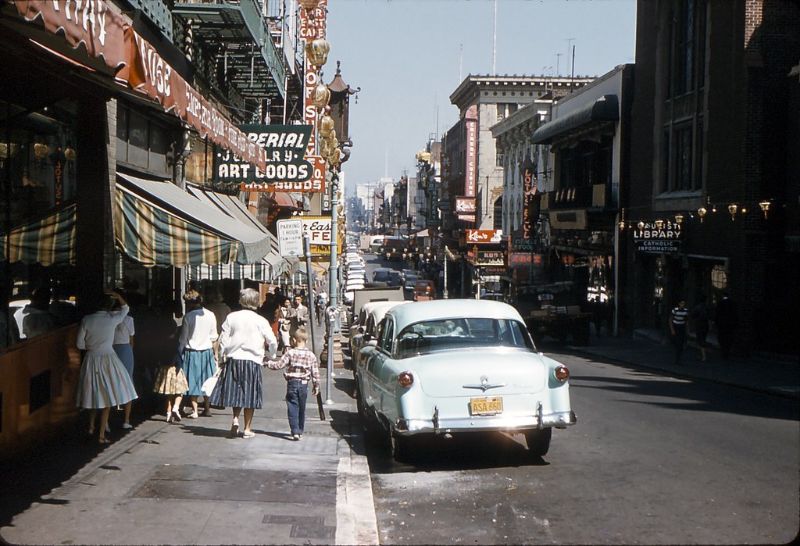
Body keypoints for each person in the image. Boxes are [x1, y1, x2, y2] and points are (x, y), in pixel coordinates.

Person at [209, 288, 277, 439]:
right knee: (250, 394)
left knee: (235, 391)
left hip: (234, 359)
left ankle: (234, 419)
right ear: (256, 302)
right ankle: (247, 428)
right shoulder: (261, 320)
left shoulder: (232, 317)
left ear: (241, 300)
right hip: (253, 360)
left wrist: (221, 358)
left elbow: (223, 340)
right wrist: (271, 356)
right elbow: (272, 341)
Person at [75, 291, 138, 444]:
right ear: (109, 305)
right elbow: (126, 309)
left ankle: (91, 427)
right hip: (109, 358)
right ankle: (101, 435)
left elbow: (79, 344)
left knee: (92, 393)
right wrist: (119, 296)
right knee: (107, 398)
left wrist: (91, 347)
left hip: (91, 358)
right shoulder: (112, 319)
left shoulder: (87, 319)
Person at [264, 327, 320, 441]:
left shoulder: (290, 353)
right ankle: (300, 430)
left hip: (292, 383)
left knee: (292, 406)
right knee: (302, 408)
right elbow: (315, 372)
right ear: (306, 341)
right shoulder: (311, 355)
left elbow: (278, 365)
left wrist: (267, 362)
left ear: (294, 340)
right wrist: (316, 385)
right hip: (304, 384)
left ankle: (294, 431)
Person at [179, 290, 218, 418]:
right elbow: (214, 337)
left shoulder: (188, 317)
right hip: (207, 352)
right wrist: (216, 354)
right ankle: (207, 408)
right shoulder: (211, 315)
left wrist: (179, 353)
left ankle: (195, 410)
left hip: (192, 352)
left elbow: (183, 339)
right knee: (207, 380)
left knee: (193, 380)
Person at [112, 303, 136, 429]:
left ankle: (106, 422)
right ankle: (126, 420)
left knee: (110, 382)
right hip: (126, 350)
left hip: (110, 350)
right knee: (128, 382)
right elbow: (132, 340)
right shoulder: (129, 319)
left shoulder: (109, 317)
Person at [152, 346, 189, 423]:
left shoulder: (162, 349)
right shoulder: (175, 349)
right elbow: (178, 361)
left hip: (165, 370)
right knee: (180, 392)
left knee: (168, 393)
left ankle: (168, 413)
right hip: (175, 370)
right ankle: (176, 407)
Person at [715, 292, 738, 359]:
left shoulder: (720, 303)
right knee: (729, 337)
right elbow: (735, 314)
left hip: (722, 323)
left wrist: (716, 322)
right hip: (730, 323)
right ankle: (727, 350)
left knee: (722, 337)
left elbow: (717, 313)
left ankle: (723, 351)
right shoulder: (733, 303)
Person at [669, 299, 689, 365]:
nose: (682, 305)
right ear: (679, 304)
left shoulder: (686, 311)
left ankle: (678, 358)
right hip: (676, 326)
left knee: (680, 344)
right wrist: (672, 330)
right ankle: (677, 357)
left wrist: (687, 330)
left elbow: (686, 321)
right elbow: (670, 319)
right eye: (681, 303)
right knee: (676, 343)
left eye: (684, 304)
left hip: (682, 327)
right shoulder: (675, 310)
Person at [691, 294, 710, 362]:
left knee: (700, 340)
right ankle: (702, 354)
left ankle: (703, 356)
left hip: (699, 324)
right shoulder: (707, 307)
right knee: (703, 339)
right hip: (705, 324)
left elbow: (693, 315)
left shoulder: (697, 307)